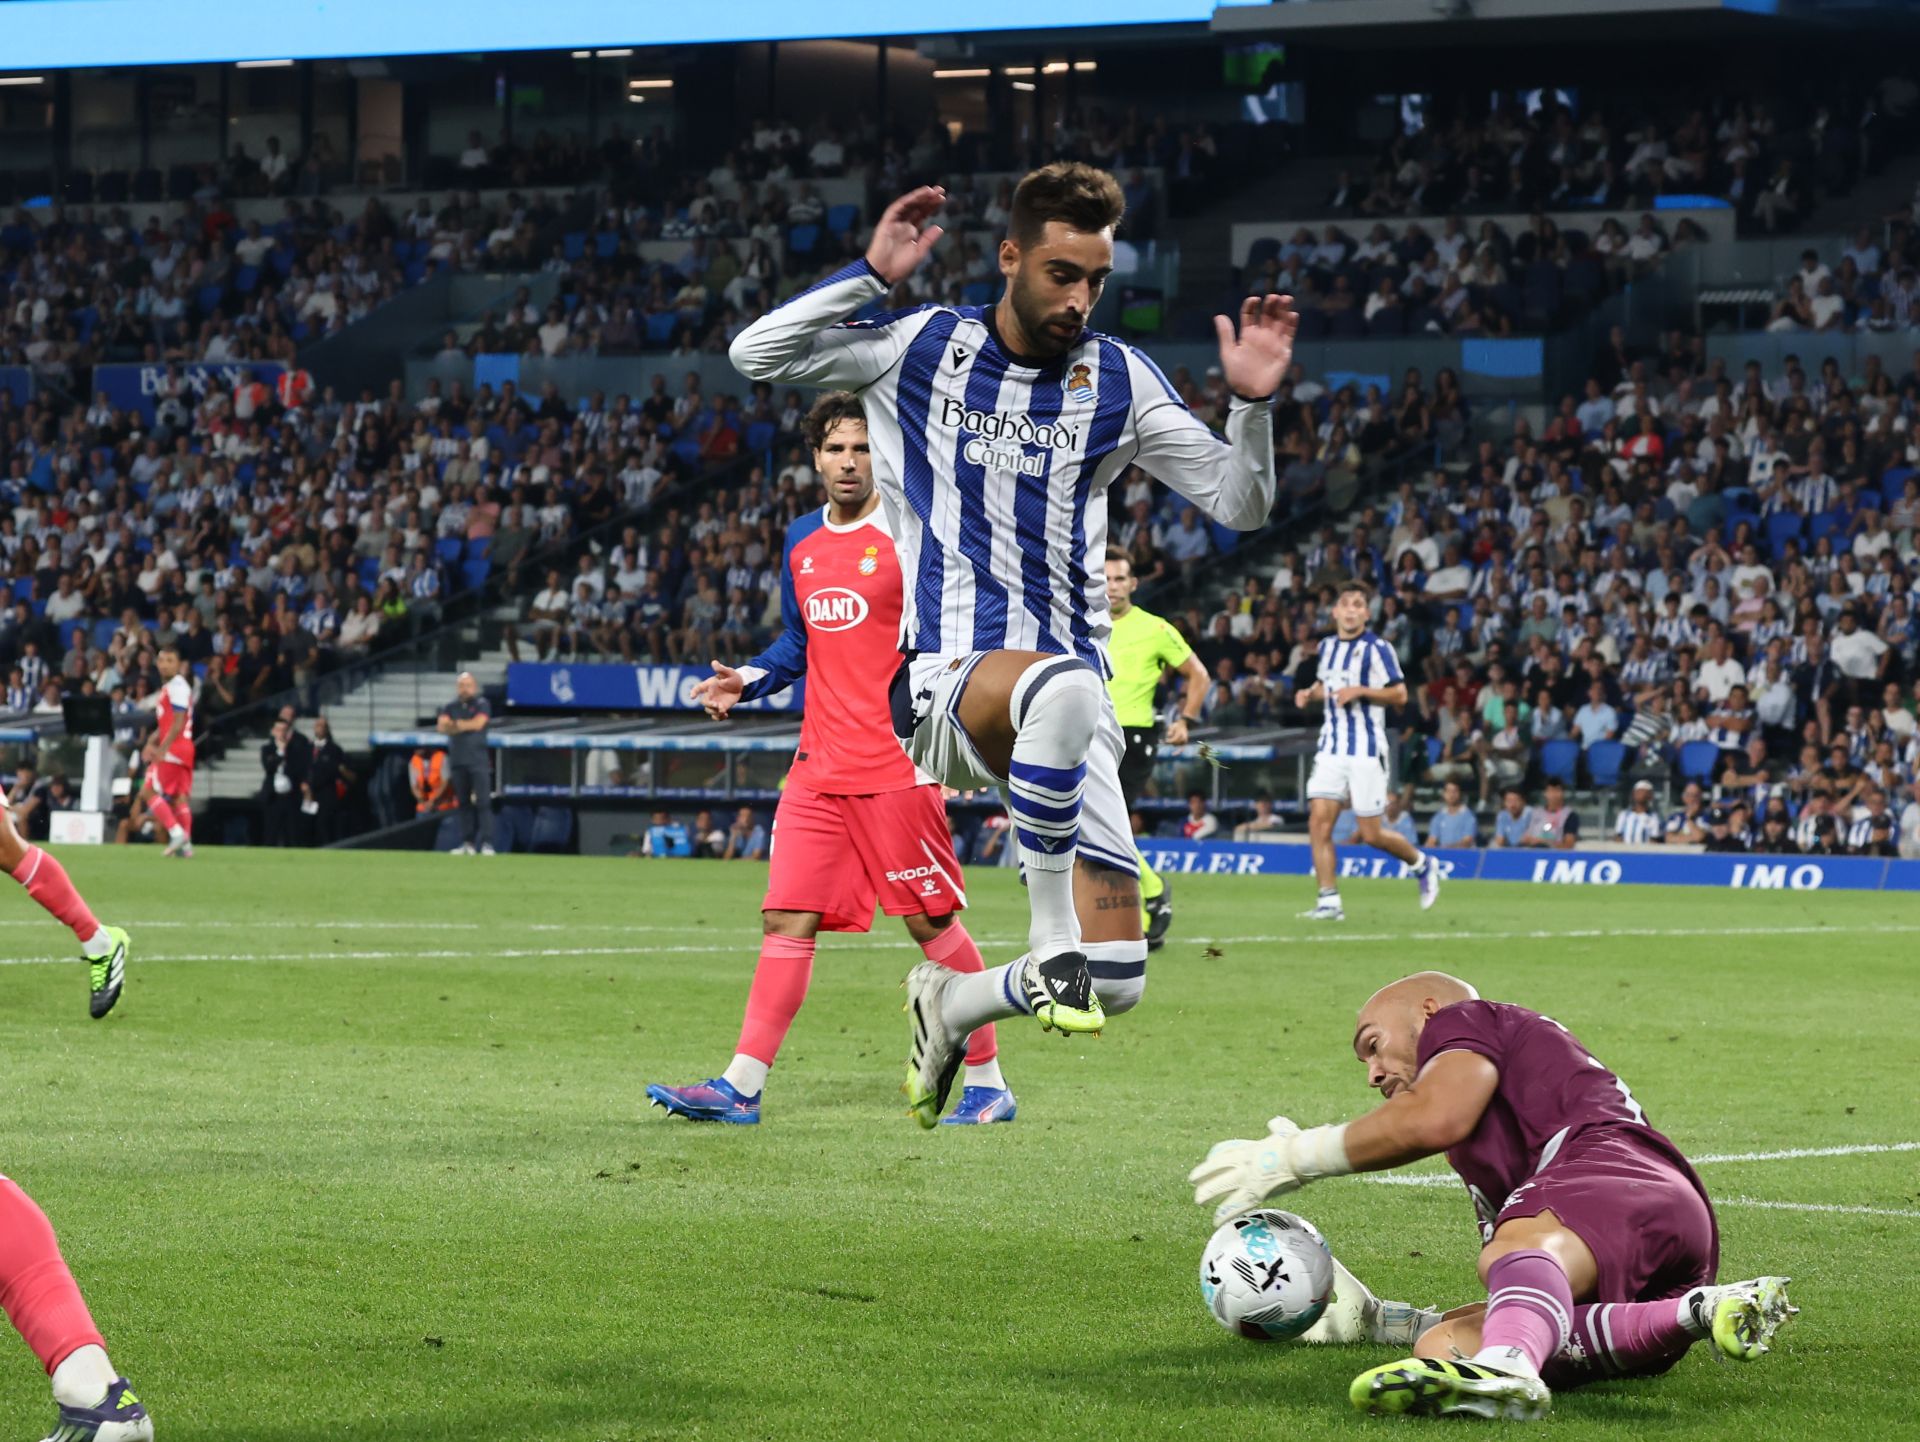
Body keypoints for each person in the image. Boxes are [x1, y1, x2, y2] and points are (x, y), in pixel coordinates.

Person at [730, 164, 1292, 1123]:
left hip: (1067, 728)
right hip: (947, 682)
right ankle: (1045, 932)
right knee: (1071, 686)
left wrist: (1251, 408)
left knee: (1116, 977)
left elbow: (1241, 502)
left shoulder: (1117, 378)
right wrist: (871, 271)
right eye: (1061, 273)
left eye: (1097, 280)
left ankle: (954, 1000)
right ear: (1011, 256)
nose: (1079, 298)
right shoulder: (919, 347)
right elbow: (755, 353)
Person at [1186, 971, 1794, 1421]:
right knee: (1446, 1346)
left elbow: (1433, 1119)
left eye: (1373, 1043)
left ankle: (1510, 1368)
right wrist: (1384, 1320)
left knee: (1510, 1256)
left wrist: (1292, 1156)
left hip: (1617, 1173)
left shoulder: (1466, 1021)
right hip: (1649, 1250)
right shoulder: (1488, 1150)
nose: (1370, 1073)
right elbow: (1524, 1287)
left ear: (1427, 1010)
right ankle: (1698, 1312)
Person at [653, 393, 1010, 1128]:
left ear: (884, 455)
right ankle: (740, 1086)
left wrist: (958, 737)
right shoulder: (802, 540)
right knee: (786, 917)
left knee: (931, 923)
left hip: (897, 765)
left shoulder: (915, 537)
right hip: (817, 765)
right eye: (837, 449)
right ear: (815, 457)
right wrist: (747, 680)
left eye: (864, 448)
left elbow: (957, 635)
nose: (850, 463)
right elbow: (798, 643)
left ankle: (989, 1081)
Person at [1297, 580, 1440, 920]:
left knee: (1372, 833)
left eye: (1359, 604)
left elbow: (1400, 695)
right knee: (1319, 824)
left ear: (1366, 613)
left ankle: (1422, 864)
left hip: (1365, 748)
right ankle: (1328, 900)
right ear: (1335, 612)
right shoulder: (1327, 646)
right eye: (1345, 603)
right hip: (1331, 747)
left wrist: (1360, 690)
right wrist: (1310, 693)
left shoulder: (1378, 649)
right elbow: (1327, 684)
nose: (1351, 609)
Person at [1103, 546, 1208, 950]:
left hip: (1133, 737)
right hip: (1091, 732)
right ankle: (1142, 905)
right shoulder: (1083, 621)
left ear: (1133, 583)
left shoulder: (1156, 628)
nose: (1112, 587)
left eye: (1119, 579)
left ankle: (1151, 892)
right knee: (1094, 824)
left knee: (1107, 821)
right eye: (1105, 578)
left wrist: (1186, 719)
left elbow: (1198, 675)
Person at [142, 641, 197, 859]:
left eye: (170, 661)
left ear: (179, 664)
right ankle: (187, 846)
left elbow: (177, 722)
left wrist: (162, 748)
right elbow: (165, 723)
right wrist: (152, 739)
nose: (164, 665)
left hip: (174, 748)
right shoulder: (172, 687)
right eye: (162, 660)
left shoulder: (177, 687)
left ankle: (176, 833)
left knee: (147, 790)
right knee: (179, 798)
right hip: (182, 748)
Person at [436, 672, 494, 855]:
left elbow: (478, 724)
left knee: (483, 802)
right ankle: (467, 843)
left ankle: (487, 844)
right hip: (458, 761)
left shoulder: (482, 704)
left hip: (478, 761)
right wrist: (461, 725)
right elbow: (441, 727)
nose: (465, 689)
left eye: (468, 685)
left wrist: (456, 725)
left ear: (474, 687)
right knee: (463, 803)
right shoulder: (450, 706)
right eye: (461, 685)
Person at [260, 718, 306, 846]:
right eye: (279, 730)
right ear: (273, 731)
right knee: (271, 832)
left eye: (284, 730)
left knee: (292, 833)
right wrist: (280, 752)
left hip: (291, 796)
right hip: (273, 797)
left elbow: (298, 770)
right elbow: (269, 767)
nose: (282, 733)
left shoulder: (295, 749)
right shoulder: (267, 749)